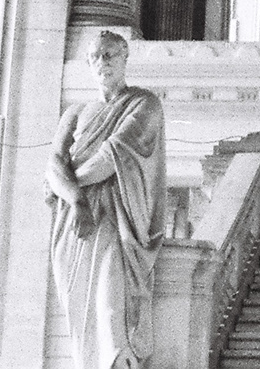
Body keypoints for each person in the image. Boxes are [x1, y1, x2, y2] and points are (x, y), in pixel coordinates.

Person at [47, 30, 167, 369]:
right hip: (74, 224)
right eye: (97, 56)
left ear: (125, 58)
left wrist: (69, 184)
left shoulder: (144, 103)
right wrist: (75, 199)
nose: (104, 61)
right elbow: (53, 163)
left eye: (112, 54)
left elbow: (113, 155)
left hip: (117, 219)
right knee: (80, 320)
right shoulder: (75, 112)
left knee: (110, 307)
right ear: (88, 63)